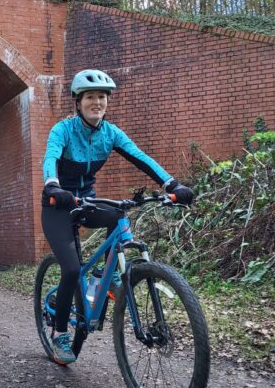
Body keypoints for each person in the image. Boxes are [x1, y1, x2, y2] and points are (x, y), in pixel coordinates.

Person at [41, 69, 193, 365]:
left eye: (101, 97)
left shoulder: (111, 133)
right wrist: (52, 185)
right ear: (78, 101)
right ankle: (59, 333)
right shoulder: (63, 130)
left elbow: (141, 157)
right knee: (71, 270)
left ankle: (104, 277)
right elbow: (50, 158)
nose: (96, 102)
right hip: (57, 203)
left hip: (87, 200)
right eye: (90, 97)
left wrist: (171, 185)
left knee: (118, 217)